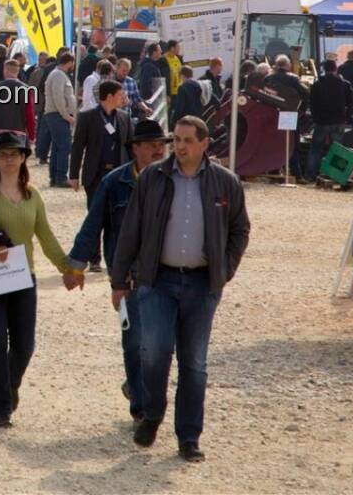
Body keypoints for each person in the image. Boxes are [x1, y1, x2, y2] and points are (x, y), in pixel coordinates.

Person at [110, 115, 251, 462]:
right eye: (177, 140)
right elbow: (131, 229)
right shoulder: (153, 179)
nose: (181, 147)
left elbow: (240, 229)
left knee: (194, 363)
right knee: (154, 352)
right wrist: (119, 280)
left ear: (205, 144)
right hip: (158, 281)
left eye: (188, 140)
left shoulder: (225, 182)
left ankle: (189, 437)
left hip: (203, 286)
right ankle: (152, 414)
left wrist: (224, 269)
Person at [0, 131, 76, 427]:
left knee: (24, 345)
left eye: (14, 154)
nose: (8, 159)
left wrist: (66, 267)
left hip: (24, 277)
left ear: (24, 157)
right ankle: (1, 407)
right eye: (2, 154)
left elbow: (45, 235)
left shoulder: (33, 195)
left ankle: (9, 385)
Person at [67, 118, 172, 423]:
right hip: (127, 275)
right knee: (135, 339)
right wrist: (76, 265)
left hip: (167, 271)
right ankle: (141, 408)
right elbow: (93, 224)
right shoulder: (114, 182)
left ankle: (137, 383)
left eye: (161, 145)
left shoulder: (177, 180)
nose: (158, 150)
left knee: (165, 342)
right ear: (135, 148)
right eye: (151, 145)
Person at [70, 80, 135, 270]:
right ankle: (94, 259)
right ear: (109, 97)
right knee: (95, 216)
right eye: (120, 94)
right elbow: (78, 147)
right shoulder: (88, 117)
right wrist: (74, 174)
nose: (123, 97)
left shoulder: (124, 118)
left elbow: (131, 147)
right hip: (96, 175)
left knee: (118, 218)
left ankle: (114, 258)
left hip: (119, 175)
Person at [307, 59, 353, 181]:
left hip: (321, 122)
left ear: (324, 69)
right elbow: (351, 104)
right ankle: (335, 176)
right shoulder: (345, 84)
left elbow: (312, 103)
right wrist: (348, 118)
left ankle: (312, 175)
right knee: (337, 150)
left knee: (315, 149)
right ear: (336, 68)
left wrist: (315, 118)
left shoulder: (317, 84)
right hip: (338, 121)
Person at [41, 52, 77, 188]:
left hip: (57, 115)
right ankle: (61, 177)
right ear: (70, 62)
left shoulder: (58, 74)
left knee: (57, 147)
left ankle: (55, 177)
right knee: (64, 146)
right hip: (58, 115)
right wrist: (66, 115)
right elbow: (58, 97)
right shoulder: (58, 75)